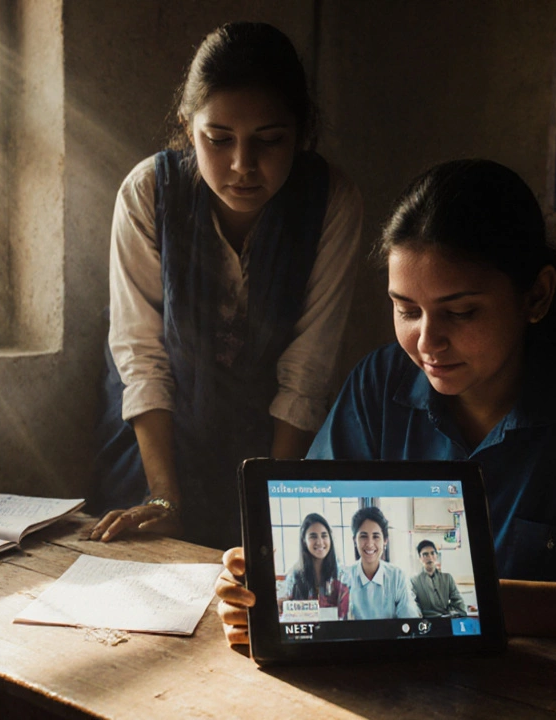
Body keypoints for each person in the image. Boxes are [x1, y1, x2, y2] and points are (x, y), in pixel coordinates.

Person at [215, 159, 556, 647]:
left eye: (461, 312)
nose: (428, 342)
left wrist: (482, 607)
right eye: (406, 310)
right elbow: (309, 525)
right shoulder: (380, 385)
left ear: (536, 296)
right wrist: (264, 590)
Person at [88, 23, 363, 549]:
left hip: (271, 442)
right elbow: (141, 355)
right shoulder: (147, 192)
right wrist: (163, 497)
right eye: (218, 140)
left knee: (256, 585)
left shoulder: (331, 201)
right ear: (186, 127)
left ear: (301, 135)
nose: (243, 166)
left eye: (270, 140)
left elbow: (308, 368)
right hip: (153, 440)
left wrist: (274, 505)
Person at [338, 507, 421, 620]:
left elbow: (410, 621)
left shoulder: (397, 577)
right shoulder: (345, 578)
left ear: (385, 540)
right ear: (354, 540)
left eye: (376, 536)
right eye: (363, 536)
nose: (370, 543)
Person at [276, 513, 350, 621]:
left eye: (324, 535)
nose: (320, 542)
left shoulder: (343, 575)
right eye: (313, 536)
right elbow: (287, 613)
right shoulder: (295, 575)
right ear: (304, 541)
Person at [410, 540, 468, 618]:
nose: (430, 557)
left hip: (448, 619)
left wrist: (451, 613)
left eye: (432, 553)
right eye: (425, 554)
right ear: (420, 558)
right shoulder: (414, 581)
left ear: (436, 556)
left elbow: (458, 601)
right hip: (427, 622)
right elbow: (414, 606)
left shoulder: (447, 578)